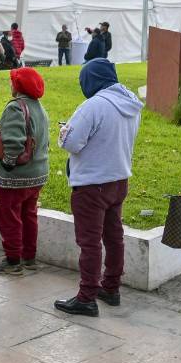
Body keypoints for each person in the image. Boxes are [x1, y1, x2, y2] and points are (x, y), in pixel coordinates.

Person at [53, 58, 143, 312]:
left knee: (89, 242)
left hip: (92, 184)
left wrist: (63, 132)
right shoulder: (130, 103)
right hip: (118, 180)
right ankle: (111, 287)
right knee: (114, 237)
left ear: (91, 79)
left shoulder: (93, 106)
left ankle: (86, 297)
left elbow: (71, 143)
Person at [0, 68, 50, 276]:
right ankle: (29, 257)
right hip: (37, 173)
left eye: (12, 81)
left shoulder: (15, 108)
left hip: (17, 176)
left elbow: (13, 143)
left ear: (18, 86)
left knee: (10, 215)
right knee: (29, 214)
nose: (10, 85)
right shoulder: (39, 107)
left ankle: (13, 261)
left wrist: (8, 163)